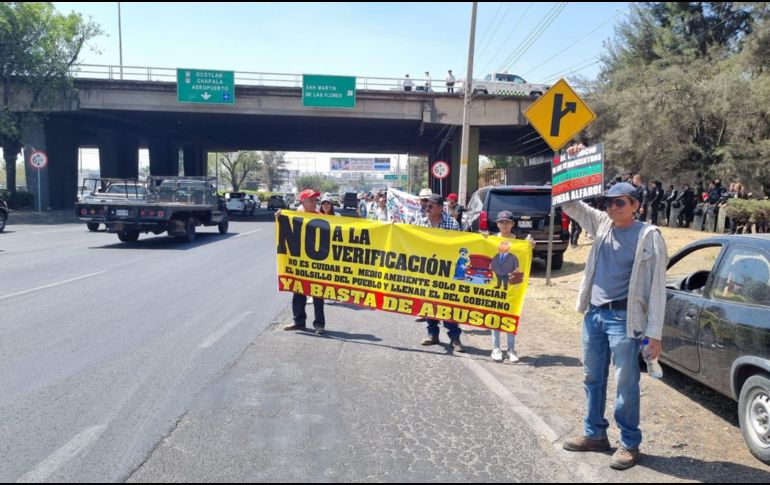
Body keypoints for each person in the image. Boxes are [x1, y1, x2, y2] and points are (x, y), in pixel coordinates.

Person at [560, 181, 668, 471]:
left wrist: (654, 333)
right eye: (608, 202)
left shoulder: (649, 236)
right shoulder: (601, 224)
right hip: (594, 315)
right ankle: (594, 434)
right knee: (592, 377)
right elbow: (569, 204)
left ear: (635, 205)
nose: (612, 207)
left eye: (620, 202)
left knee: (625, 383)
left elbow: (658, 288)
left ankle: (630, 443)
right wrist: (569, 167)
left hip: (624, 320)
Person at [414, 194, 465, 352]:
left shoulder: (451, 223)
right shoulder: (420, 222)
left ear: (440, 207)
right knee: (429, 303)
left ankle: (455, 337)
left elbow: (459, 245)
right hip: (427, 271)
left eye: (430, 205)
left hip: (446, 271)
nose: (427, 207)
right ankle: (432, 334)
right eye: (426, 205)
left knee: (447, 305)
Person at [486, 211, 534, 363]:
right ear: (497, 223)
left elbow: (524, 259)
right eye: (501, 222)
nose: (504, 225)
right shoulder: (491, 239)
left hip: (513, 284)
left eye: (507, 222)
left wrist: (530, 246)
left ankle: (511, 348)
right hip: (495, 282)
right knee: (495, 314)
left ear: (513, 224)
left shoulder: (520, 241)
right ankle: (496, 347)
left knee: (511, 314)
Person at [279, 189, 327, 335]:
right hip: (300, 262)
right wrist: (279, 216)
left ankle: (319, 324)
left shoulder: (321, 217)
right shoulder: (295, 216)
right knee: (298, 291)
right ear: (303, 201)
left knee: (317, 293)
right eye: (311, 200)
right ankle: (298, 321)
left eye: (315, 200)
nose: (315, 202)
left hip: (317, 262)